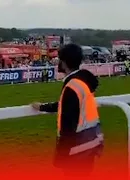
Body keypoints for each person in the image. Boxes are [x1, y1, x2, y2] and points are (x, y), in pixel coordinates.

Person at [31, 44, 103, 178]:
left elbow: (67, 123)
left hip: (77, 149)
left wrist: (62, 156)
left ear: (64, 62)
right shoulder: (82, 81)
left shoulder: (72, 85)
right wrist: (42, 107)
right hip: (90, 142)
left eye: (59, 59)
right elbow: (67, 105)